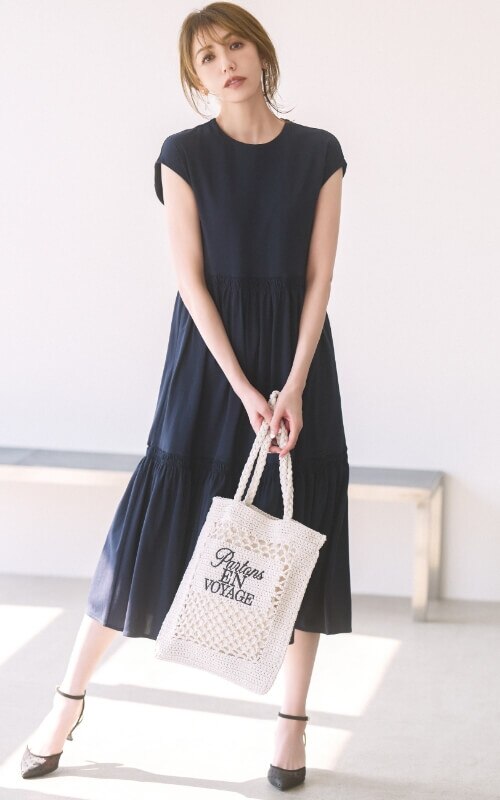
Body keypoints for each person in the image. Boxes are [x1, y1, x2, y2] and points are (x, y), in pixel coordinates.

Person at [21, 2, 351, 790]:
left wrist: (293, 384)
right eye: (206, 57)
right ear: (193, 76)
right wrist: (245, 390)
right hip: (209, 363)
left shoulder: (320, 152)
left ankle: (292, 726)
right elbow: (191, 282)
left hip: (298, 361)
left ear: (261, 52)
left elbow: (319, 279)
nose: (224, 63)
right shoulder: (183, 155)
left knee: (298, 530)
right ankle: (67, 701)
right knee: (152, 526)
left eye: (235, 45)